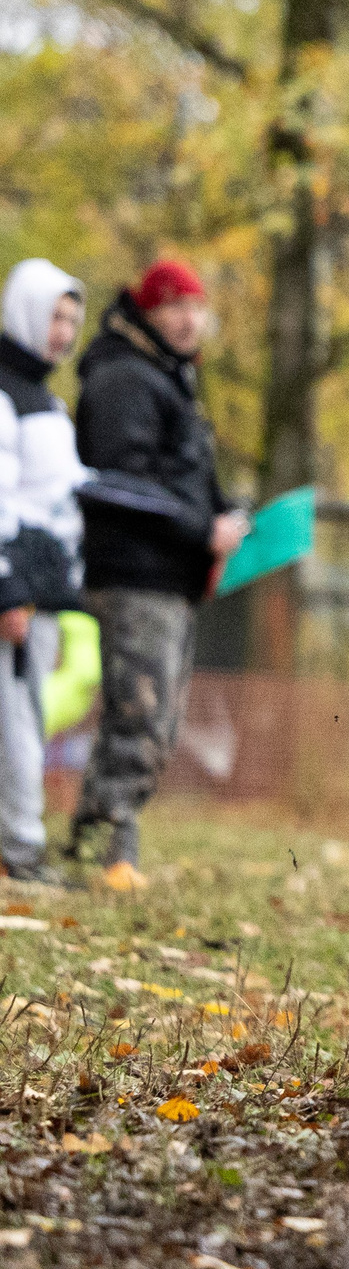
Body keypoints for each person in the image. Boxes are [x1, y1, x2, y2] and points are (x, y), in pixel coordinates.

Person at [65, 259, 248, 891]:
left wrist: (226, 520)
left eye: (197, 307)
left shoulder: (171, 382)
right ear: (148, 313)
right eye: (174, 308)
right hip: (133, 576)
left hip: (169, 578)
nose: (189, 319)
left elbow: (184, 479)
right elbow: (121, 482)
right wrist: (202, 533)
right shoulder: (123, 378)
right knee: (138, 713)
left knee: (157, 720)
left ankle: (98, 837)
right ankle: (113, 850)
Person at [0, 260, 88, 886]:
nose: (63, 332)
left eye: (72, 320)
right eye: (55, 315)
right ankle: (21, 848)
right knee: (18, 720)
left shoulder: (48, 400)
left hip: (48, 586)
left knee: (25, 715)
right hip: (17, 589)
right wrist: (8, 586)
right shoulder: (4, 392)